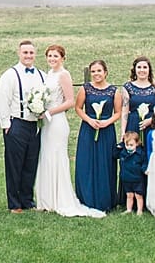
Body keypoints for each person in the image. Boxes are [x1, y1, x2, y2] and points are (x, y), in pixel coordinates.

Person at [35, 45, 104, 217]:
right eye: (49, 56)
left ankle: (60, 199)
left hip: (57, 122)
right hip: (46, 122)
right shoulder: (48, 74)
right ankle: (47, 200)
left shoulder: (64, 75)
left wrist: (49, 112)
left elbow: (70, 102)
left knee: (57, 157)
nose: (52, 59)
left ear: (63, 58)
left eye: (56, 56)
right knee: (47, 156)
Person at [0, 40, 45, 212]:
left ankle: (27, 200)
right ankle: (14, 203)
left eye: (31, 53)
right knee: (14, 165)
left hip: (35, 125)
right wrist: (6, 124)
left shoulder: (41, 74)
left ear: (35, 54)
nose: (28, 56)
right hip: (16, 124)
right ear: (19, 53)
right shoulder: (10, 74)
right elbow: (3, 100)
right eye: (25, 53)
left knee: (30, 164)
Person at [74, 58, 122, 212]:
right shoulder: (85, 88)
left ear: (105, 72)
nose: (96, 74)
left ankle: (105, 199)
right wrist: (89, 120)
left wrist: (107, 122)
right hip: (88, 130)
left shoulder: (114, 91)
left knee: (105, 163)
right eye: (93, 71)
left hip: (106, 131)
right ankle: (86, 198)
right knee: (86, 163)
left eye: (99, 71)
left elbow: (119, 112)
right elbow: (78, 108)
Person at [121, 56, 155, 134]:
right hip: (133, 125)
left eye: (145, 67)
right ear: (135, 69)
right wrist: (123, 132)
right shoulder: (127, 87)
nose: (142, 70)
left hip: (153, 126)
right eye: (139, 67)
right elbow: (125, 112)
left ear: (149, 70)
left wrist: (151, 120)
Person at [114, 131, 147, 215]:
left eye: (131, 145)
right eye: (127, 145)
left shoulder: (140, 154)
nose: (129, 147)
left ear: (137, 144)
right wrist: (120, 145)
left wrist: (144, 169)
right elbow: (114, 154)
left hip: (137, 179)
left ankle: (139, 210)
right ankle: (129, 209)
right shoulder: (123, 153)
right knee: (129, 195)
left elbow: (144, 162)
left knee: (138, 195)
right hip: (126, 178)